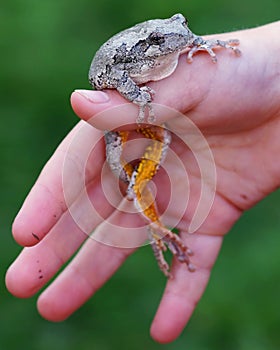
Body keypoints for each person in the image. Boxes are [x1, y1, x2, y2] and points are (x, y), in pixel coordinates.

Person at [5, 21, 280, 344]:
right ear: (151, 43)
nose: (181, 36)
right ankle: (140, 200)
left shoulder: (172, 39)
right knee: (117, 162)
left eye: (183, 26)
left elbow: (184, 37)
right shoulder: (136, 59)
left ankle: (150, 216)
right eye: (163, 39)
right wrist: (139, 97)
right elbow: (118, 76)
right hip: (116, 72)